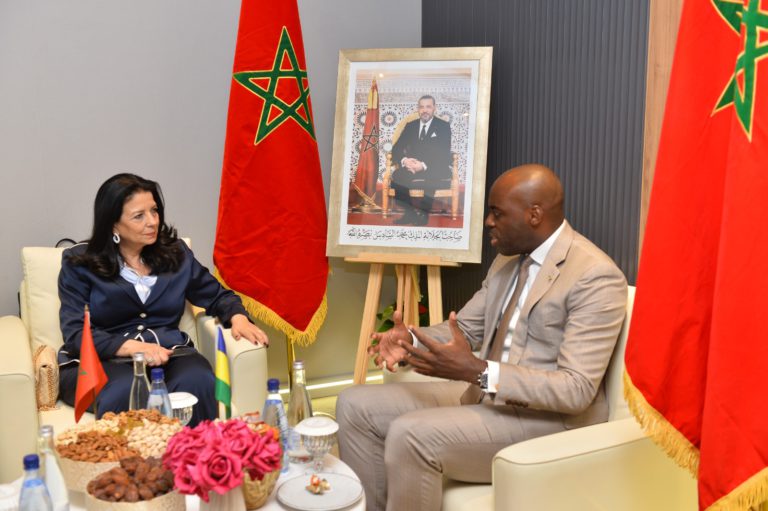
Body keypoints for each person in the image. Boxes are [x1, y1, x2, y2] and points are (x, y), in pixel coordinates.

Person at [336, 164, 628, 511]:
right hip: (486, 396)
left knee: (409, 434)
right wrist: (409, 340)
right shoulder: (507, 262)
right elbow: (465, 328)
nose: (488, 222)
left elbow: (575, 390)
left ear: (534, 215)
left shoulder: (594, 275)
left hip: (549, 421)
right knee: (354, 405)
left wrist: (480, 373)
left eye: (497, 213)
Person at [57, 173, 268, 426]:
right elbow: (76, 333)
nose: (152, 222)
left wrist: (238, 318)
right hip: (102, 361)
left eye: (154, 211)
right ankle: (134, 454)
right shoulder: (79, 262)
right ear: (113, 225)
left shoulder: (176, 254)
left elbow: (216, 295)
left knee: (199, 381)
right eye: (139, 216)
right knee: (124, 390)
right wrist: (135, 348)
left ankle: (197, 450)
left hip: (170, 354)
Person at [390, 95, 452, 226]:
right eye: (421, 107)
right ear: (418, 109)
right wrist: (405, 161)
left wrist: (423, 166)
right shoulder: (410, 126)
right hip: (412, 166)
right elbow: (396, 148)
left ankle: (423, 215)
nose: (425, 110)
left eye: (428, 107)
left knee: (430, 178)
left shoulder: (443, 126)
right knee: (397, 175)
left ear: (434, 108)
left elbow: (444, 152)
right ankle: (409, 213)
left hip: (434, 167)